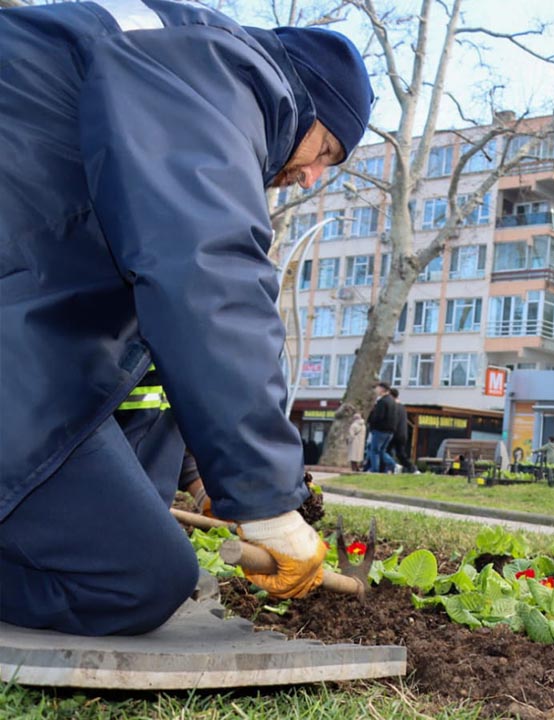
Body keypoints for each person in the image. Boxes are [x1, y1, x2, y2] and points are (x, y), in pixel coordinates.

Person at [0, 0, 373, 636]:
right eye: (326, 149)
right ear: (303, 103)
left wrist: (201, 477)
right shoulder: (225, 74)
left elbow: (156, 323)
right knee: (139, 581)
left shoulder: (175, 60)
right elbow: (205, 276)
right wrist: (268, 500)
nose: (311, 176)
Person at [365, 383, 398, 473]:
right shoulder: (392, 401)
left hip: (380, 430)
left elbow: (378, 417)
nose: (376, 390)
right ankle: (392, 464)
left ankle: (375, 469)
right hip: (390, 431)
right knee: (382, 451)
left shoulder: (382, 402)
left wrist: (371, 422)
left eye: (378, 388)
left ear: (382, 389)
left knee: (374, 450)